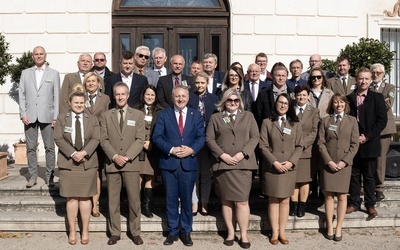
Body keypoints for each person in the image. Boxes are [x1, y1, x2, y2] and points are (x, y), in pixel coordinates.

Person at [152, 86, 205, 247]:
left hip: (188, 164)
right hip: (169, 164)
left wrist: (192, 149)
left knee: (187, 200)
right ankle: (173, 231)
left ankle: (186, 231)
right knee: (171, 200)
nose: (180, 99)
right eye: (177, 96)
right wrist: (171, 149)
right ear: (172, 97)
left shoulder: (195, 115)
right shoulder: (164, 114)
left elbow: (201, 137)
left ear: (188, 98)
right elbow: (157, 137)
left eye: (183, 96)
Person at [206, 89, 259, 248]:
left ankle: (243, 234)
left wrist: (243, 154)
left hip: (243, 164)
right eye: (230, 100)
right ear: (224, 102)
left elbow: (255, 137)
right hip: (224, 165)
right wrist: (222, 155)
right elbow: (209, 138)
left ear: (240, 102)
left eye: (236, 100)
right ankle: (230, 232)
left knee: (242, 201)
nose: (233, 103)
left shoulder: (248, 116)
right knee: (227, 201)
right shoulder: (216, 117)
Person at [54, 85, 100, 245]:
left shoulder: (92, 119)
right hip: (68, 163)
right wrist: (73, 153)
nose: (79, 105)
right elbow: (58, 138)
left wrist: (84, 152)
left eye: (82, 102)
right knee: (72, 198)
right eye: (76, 102)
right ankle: (72, 231)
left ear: (85, 103)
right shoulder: (61, 118)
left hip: (87, 163)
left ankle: (85, 231)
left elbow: (96, 139)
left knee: (86, 198)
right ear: (70, 102)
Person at [100, 82, 145, 246]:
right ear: (114, 96)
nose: (120, 97)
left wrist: (126, 156)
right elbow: (103, 140)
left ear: (127, 95)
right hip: (112, 164)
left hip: (130, 163)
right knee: (113, 200)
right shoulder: (106, 115)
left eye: (122, 94)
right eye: (117, 94)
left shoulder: (138, 115)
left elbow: (140, 140)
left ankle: (135, 232)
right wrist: (114, 156)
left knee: (134, 200)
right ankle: (114, 232)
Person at [259, 93, 303, 245]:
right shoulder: (267, 122)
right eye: (280, 102)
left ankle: (283, 232)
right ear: (275, 104)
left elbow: (299, 146)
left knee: (285, 200)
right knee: (273, 200)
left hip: (289, 168)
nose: (283, 105)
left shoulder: (295, 124)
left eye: (286, 103)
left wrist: (291, 162)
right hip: (272, 168)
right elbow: (263, 146)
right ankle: (274, 232)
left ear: (289, 106)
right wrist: (274, 162)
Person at [346, 67, 387, 219]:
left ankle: (370, 204)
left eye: (366, 79)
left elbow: (381, 121)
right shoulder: (349, 98)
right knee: (354, 174)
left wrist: (367, 136)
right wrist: (354, 138)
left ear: (370, 80)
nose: (363, 81)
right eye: (360, 78)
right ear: (356, 80)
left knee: (369, 176)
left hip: (369, 142)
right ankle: (354, 202)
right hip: (353, 143)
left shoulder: (377, 98)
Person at [318, 93, 359, 242]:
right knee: (328, 195)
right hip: (329, 163)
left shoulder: (352, 121)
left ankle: (339, 227)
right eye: (336, 102)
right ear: (332, 104)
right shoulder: (325, 120)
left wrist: (344, 161)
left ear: (345, 104)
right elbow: (321, 143)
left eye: (341, 102)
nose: (339, 105)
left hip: (344, 164)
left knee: (342, 196)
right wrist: (328, 161)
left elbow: (355, 144)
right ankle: (329, 226)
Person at [18, 46, 60, 188]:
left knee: (50, 147)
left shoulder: (54, 74)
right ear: (33, 56)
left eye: (41, 54)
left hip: (48, 116)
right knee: (30, 147)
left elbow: (57, 97)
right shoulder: (25, 73)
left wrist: (55, 117)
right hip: (29, 116)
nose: (39, 56)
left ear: (45, 56)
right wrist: (23, 114)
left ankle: (50, 176)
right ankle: (33, 176)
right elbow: (21, 95)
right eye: (36, 54)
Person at [187, 72, 219, 216]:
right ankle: (195, 202)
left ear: (207, 83)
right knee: (194, 173)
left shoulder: (214, 99)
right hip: (192, 140)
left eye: (202, 83)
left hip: (208, 141)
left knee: (206, 174)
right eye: (197, 83)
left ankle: (204, 201)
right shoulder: (189, 97)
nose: (200, 85)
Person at [82, 72, 111, 218]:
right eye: (88, 81)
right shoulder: (80, 98)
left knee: (98, 172)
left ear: (98, 83)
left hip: (99, 140)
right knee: (87, 172)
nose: (91, 83)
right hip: (84, 141)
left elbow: (107, 120)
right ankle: (85, 202)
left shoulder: (105, 99)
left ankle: (95, 204)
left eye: (94, 81)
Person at [133, 85, 163, 218]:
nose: (150, 97)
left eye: (152, 95)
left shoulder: (160, 111)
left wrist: (152, 142)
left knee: (150, 177)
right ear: (143, 95)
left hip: (152, 149)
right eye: (147, 94)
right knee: (138, 177)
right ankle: (136, 205)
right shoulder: (135, 109)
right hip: (137, 149)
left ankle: (146, 206)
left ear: (155, 97)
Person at [289, 85, 319, 217]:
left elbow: (314, 131)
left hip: (306, 150)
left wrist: (302, 144)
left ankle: (302, 205)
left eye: (304, 95)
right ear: (295, 96)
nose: (301, 97)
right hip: (291, 150)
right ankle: (293, 204)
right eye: (299, 95)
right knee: (294, 179)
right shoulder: (290, 109)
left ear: (308, 96)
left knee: (305, 179)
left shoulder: (314, 111)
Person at [370, 63, 397, 201]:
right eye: (373, 72)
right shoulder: (367, 86)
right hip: (369, 128)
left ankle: (379, 188)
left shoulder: (390, 88)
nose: (375, 75)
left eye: (378, 73)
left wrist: (370, 106)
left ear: (383, 74)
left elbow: (387, 104)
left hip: (384, 129)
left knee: (380, 159)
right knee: (368, 158)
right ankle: (366, 186)